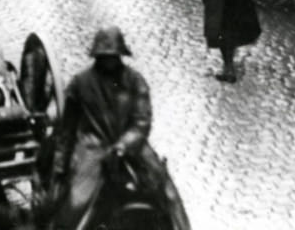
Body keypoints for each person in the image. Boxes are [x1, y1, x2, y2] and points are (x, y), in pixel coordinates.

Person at [44, 27, 191, 230]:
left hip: (134, 148)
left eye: (113, 56)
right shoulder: (80, 83)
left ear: (121, 55)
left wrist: (123, 146)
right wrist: (60, 166)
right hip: (93, 150)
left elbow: (142, 122)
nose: (109, 61)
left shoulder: (135, 81)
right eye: (105, 56)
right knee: (74, 207)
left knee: (169, 194)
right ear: (97, 55)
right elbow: (67, 129)